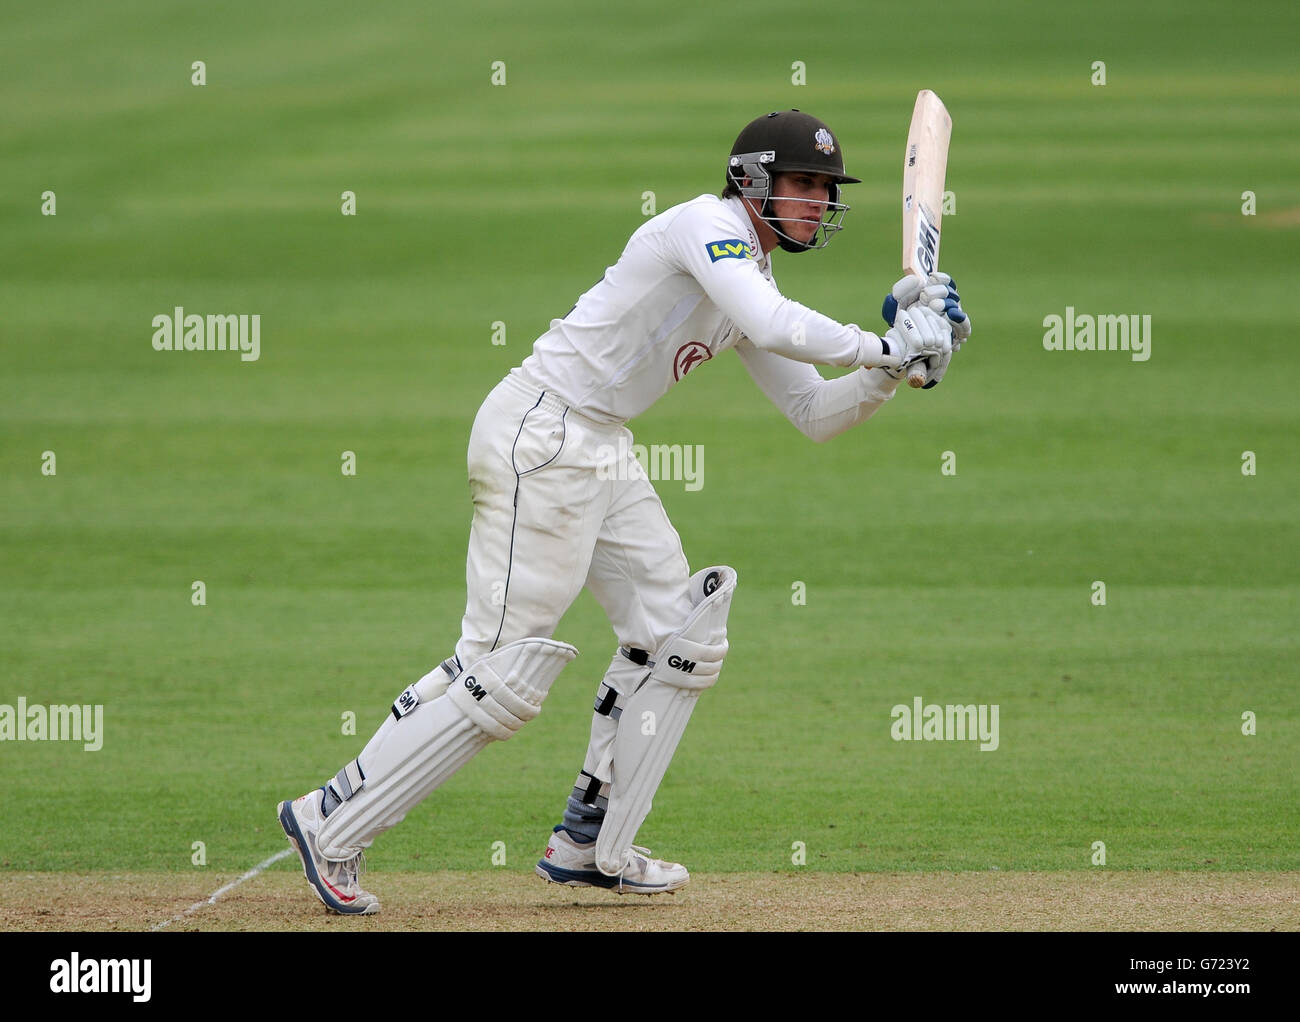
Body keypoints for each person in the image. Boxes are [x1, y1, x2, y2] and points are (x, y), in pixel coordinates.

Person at [277, 109, 971, 914]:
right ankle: (331, 820)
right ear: (755, 181)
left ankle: (590, 841)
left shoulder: (750, 276)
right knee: (503, 673)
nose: (818, 202)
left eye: (826, 190)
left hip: (598, 444)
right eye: (805, 185)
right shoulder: (706, 230)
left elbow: (814, 413)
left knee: (675, 632)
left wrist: (895, 369)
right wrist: (887, 341)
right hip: (542, 431)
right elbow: (777, 325)